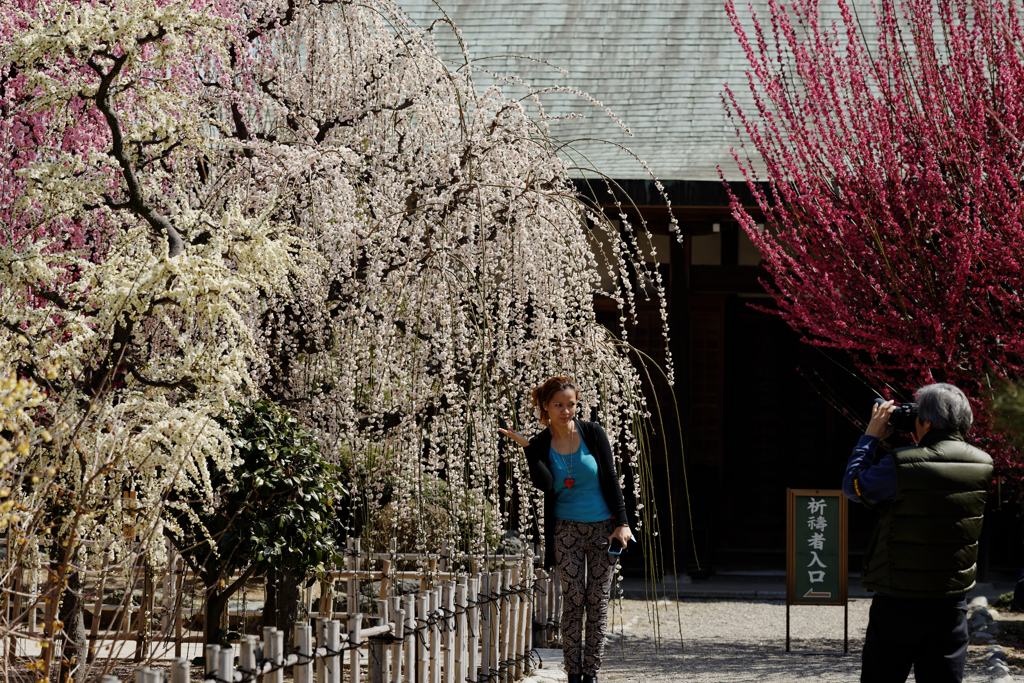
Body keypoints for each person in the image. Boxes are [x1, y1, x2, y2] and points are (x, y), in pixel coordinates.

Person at [843, 383, 993, 683]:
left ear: (925, 421)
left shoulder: (901, 464)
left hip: (898, 598)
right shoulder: (983, 463)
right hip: (950, 601)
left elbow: (853, 487)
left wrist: (870, 437)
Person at [499, 376, 632, 683]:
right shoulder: (543, 443)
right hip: (566, 530)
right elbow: (545, 484)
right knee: (573, 598)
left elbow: (611, 479)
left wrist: (622, 523)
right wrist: (529, 448)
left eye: (571, 404)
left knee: (597, 601)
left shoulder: (592, 433)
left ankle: (591, 672)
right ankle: (573, 672)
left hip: (603, 529)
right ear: (545, 406)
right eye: (558, 405)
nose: (566, 411)